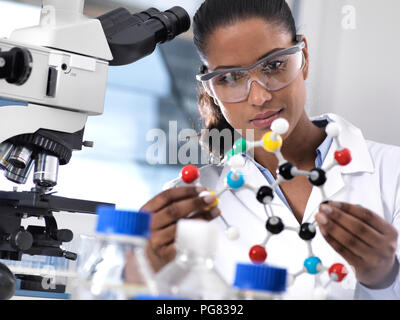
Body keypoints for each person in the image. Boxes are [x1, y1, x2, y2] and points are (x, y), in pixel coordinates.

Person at [140, 0, 400, 299]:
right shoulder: (189, 201)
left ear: (303, 56)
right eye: (230, 77)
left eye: (274, 65)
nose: (260, 96)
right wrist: (150, 271)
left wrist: (385, 277)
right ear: (211, 89)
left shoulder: (392, 175)